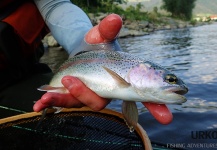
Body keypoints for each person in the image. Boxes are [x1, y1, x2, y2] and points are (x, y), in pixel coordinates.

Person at [0, 0, 172, 125]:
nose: (171, 83)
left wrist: (80, 42)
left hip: (20, 73)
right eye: (169, 79)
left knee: (70, 121)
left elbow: (53, 4)